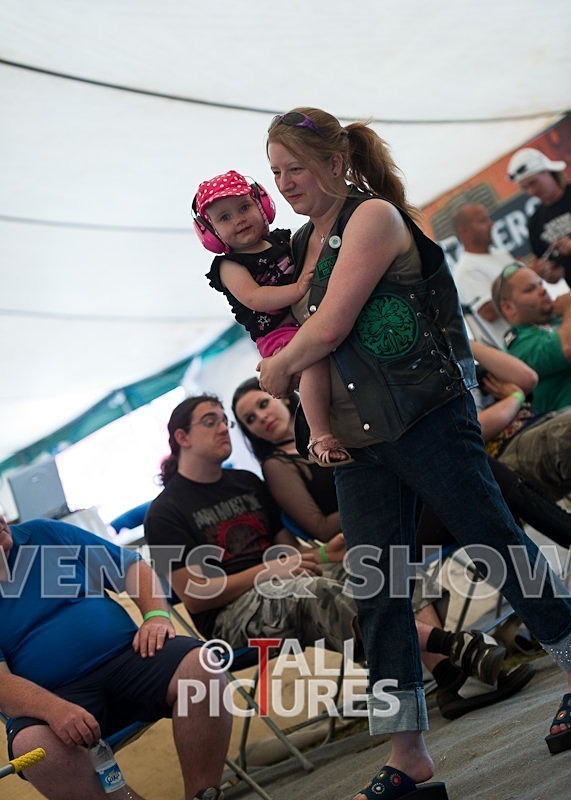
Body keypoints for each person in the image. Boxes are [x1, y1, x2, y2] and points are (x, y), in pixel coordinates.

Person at [258, 107, 571, 798]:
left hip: (425, 418)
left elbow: (332, 324)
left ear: (334, 163)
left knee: (494, 543)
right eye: (274, 171)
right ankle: (409, 754)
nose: (282, 183)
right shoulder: (304, 241)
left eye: (294, 168)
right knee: (375, 587)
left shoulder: (371, 217)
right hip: (360, 444)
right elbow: (294, 319)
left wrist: (277, 369)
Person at [144, 394, 526, 724]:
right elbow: (195, 595)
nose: (224, 429)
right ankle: (452, 647)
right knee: (302, 589)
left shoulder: (246, 483)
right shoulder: (165, 513)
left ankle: (449, 678)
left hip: (288, 582)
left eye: (224, 421)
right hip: (232, 618)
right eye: (210, 422)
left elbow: (290, 552)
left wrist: (326, 553)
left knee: (377, 559)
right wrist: (269, 570)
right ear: (182, 437)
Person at [0, 514, 230, 800]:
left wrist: (156, 616)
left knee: (200, 665)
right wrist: (54, 710)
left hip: (128, 659)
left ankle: (202, 795)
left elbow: (133, 567)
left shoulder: (44, 534)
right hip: (53, 697)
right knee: (33, 750)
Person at [193, 169, 350, 465]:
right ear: (210, 233)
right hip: (276, 333)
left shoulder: (282, 241)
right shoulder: (230, 266)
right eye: (224, 218)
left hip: (305, 319)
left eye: (244, 207)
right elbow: (255, 298)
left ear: (262, 205)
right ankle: (320, 436)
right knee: (312, 360)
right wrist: (299, 286)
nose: (239, 219)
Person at [470, 338, 571, 503]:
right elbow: (475, 429)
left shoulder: (465, 369)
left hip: (539, 424)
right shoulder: (432, 393)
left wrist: (463, 340)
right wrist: (515, 397)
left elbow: (528, 378)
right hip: (507, 452)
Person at [490, 263, 571, 413]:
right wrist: (569, 307)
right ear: (508, 307)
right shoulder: (518, 344)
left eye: (541, 283)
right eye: (530, 289)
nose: (543, 290)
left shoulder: (561, 321)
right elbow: (567, 348)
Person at [451, 203, 515, 347]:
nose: (491, 224)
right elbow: (488, 312)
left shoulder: (501, 254)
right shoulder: (466, 270)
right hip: (517, 347)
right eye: (482, 221)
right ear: (465, 231)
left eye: (488, 219)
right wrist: (522, 288)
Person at [507, 147, 571, 286]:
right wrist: (544, 272)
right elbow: (555, 276)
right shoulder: (535, 223)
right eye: (525, 187)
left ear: (547, 172)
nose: (531, 191)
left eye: (533, 182)